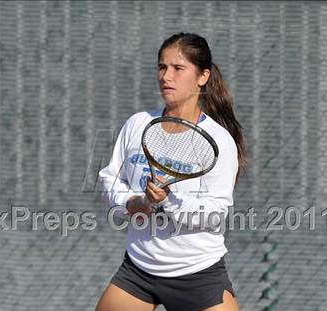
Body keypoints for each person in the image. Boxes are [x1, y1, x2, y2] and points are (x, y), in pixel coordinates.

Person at [96, 32, 246, 311]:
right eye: (162, 67)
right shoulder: (138, 124)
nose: (166, 76)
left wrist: (166, 202)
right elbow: (109, 180)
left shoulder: (219, 140)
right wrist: (134, 202)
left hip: (197, 274)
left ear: (203, 76)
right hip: (138, 270)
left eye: (178, 68)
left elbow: (216, 213)